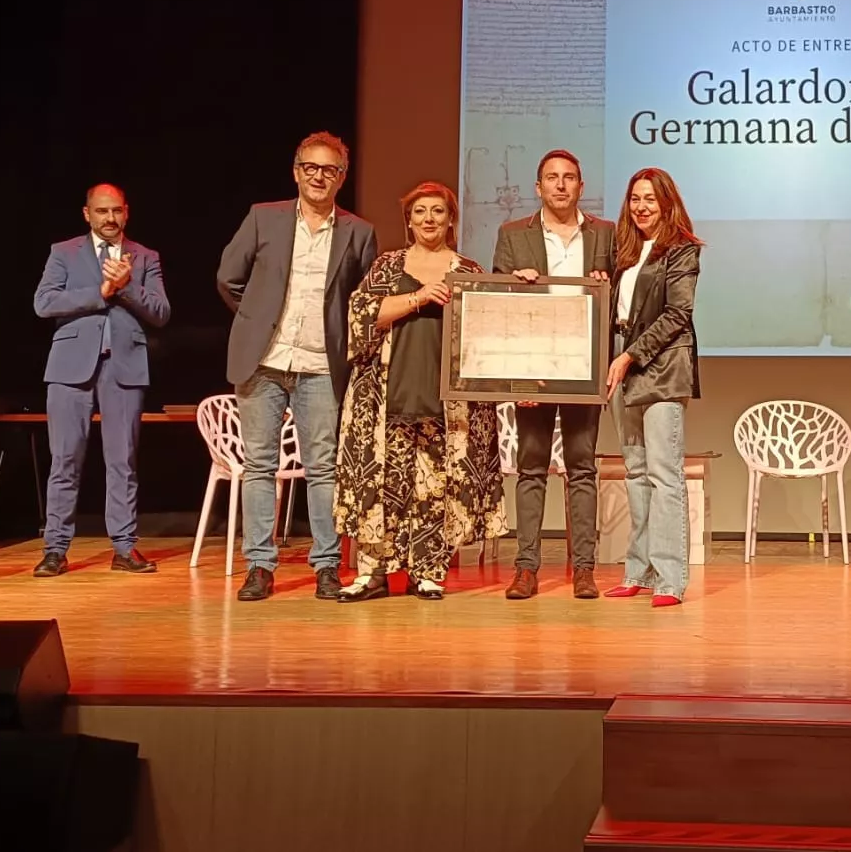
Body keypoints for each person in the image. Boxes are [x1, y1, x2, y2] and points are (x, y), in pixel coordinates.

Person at [216, 131, 379, 602]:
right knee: (260, 465)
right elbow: (228, 278)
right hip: (263, 359)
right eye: (311, 167)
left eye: (330, 170)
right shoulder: (262, 218)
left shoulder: (359, 231)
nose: (319, 177)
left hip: (321, 365)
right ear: (296, 171)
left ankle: (326, 565)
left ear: (342, 177)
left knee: (323, 468)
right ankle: (260, 566)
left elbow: (364, 300)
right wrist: (257, 317)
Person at [334, 182, 507, 600]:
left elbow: (487, 335)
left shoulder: (468, 271)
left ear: (451, 219)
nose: (429, 219)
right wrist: (418, 297)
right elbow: (363, 316)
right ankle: (373, 573)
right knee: (382, 485)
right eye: (420, 212)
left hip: (446, 404)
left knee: (435, 488)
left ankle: (427, 571)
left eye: (438, 211)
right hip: (387, 398)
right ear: (408, 221)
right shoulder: (388, 267)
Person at [491, 148, 615, 600]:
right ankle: (526, 568)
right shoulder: (512, 234)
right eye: (552, 178)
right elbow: (499, 309)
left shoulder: (605, 233)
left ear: (581, 186)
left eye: (569, 178)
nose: (560, 185)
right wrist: (513, 282)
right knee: (532, 466)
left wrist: (607, 282)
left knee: (582, 467)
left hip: (584, 365)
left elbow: (618, 298)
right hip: (534, 366)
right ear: (538, 187)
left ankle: (584, 568)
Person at [31, 183, 172, 576]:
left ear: (126, 212)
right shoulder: (64, 252)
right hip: (69, 367)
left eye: (116, 211)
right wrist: (100, 291)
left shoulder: (144, 257)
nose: (109, 219)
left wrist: (126, 289)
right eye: (101, 211)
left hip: (124, 367)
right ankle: (55, 550)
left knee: (122, 461)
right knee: (65, 459)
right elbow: (44, 303)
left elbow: (161, 311)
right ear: (87, 213)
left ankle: (125, 549)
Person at [600, 167, 702, 607]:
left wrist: (629, 356)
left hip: (660, 366)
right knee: (636, 474)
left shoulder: (681, 250)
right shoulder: (623, 250)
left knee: (664, 475)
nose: (641, 207)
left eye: (650, 199)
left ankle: (671, 579)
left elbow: (678, 314)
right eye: (635, 198)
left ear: (667, 203)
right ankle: (638, 571)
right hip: (626, 362)